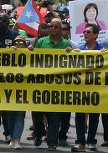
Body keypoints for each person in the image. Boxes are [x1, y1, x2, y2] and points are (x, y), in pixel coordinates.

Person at [33, 18, 72, 151]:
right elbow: (33, 60)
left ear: (61, 30)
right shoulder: (41, 42)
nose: (53, 28)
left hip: (58, 86)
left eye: (56, 27)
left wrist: (71, 52)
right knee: (38, 113)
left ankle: (52, 142)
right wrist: (30, 50)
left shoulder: (66, 44)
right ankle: (38, 134)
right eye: (51, 26)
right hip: (41, 84)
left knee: (55, 115)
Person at [71, 23, 105, 152]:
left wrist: (106, 54)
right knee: (79, 115)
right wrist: (71, 52)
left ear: (96, 35)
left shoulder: (102, 49)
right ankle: (80, 141)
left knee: (94, 116)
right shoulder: (79, 49)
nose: (85, 34)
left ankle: (91, 141)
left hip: (96, 88)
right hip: (81, 88)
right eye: (84, 32)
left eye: (88, 32)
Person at [6, 35, 29, 150]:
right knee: (10, 116)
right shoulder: (8, 53)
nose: (19, 44)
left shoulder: (30, 54)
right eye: (16, 42)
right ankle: (12, 137)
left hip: (23, 91)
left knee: (20, 116)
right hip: (9, 90)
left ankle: (16, 139)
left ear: (25, 44)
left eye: (21, 42)